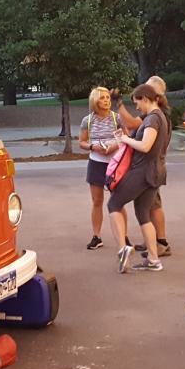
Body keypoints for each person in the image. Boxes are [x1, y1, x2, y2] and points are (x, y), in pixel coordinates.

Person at [109, 82, 171, 273]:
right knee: (143, 214)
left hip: (143, 171)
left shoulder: (153, 118)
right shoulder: (159, 116)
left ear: (145, 99)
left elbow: (145, 146)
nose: (137, 107)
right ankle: (153, 259)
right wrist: (128, 136)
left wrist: (125, 139)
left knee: (113, 205)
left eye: (137, 103)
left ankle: (123, 249)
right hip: (155, 173)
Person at [79, 86, 123, 250]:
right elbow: (82, 142)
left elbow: (125, 137)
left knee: (117, 200)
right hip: (96, 162)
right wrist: (92, 147)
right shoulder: (87, 120)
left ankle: (123, 236)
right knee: (97, 201)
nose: (106, 100)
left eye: (107, 97)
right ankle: (97, 236)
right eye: (102, 98)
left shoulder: (116, 118)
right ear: (95, 101)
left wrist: (114, 145)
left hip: (115, 163)